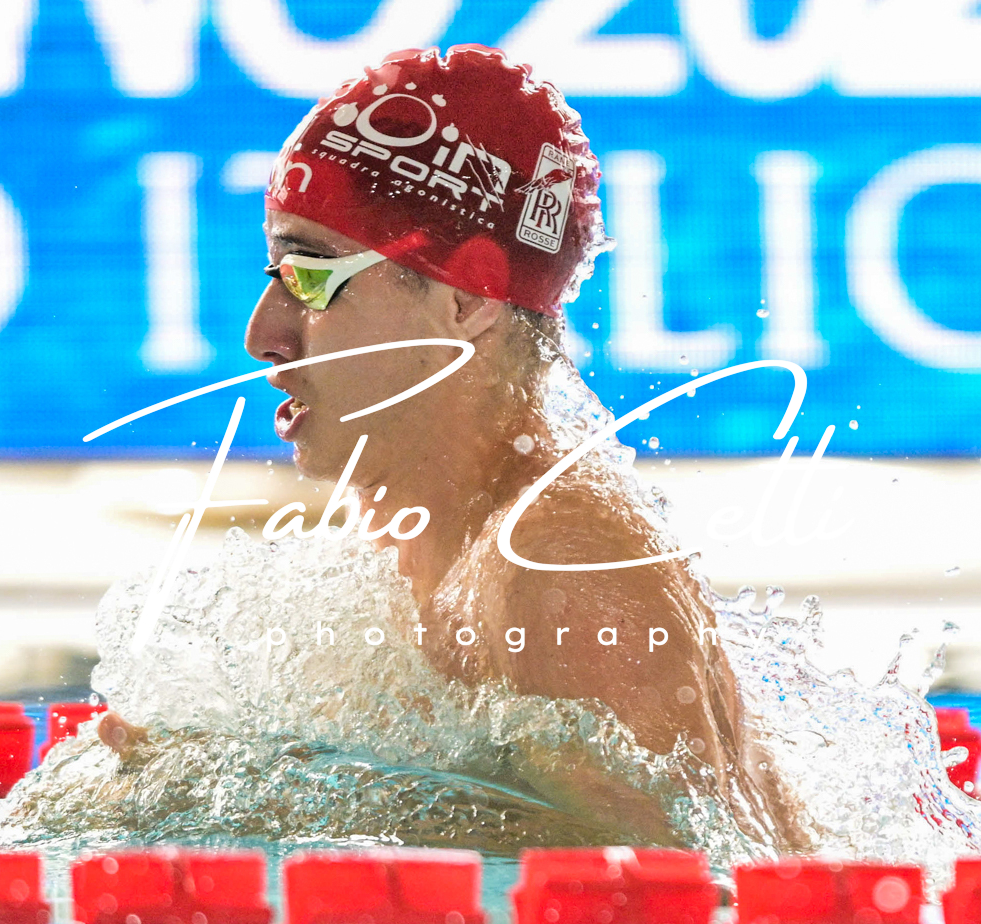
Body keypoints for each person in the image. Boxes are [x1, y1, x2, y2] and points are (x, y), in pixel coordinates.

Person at [100, 45, 803, 850]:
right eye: (275, 275)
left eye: (311, 277)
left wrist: (254, 800)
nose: (264, 334)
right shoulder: (419, 542)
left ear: (469, 298)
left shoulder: (560, 565)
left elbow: (679, 873)